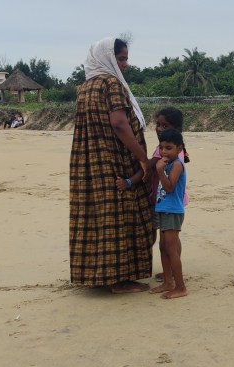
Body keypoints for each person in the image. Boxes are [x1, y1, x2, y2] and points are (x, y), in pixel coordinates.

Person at [68, 37, 154, 293]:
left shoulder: (85, 87)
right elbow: (119, 123)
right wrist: (142, 157)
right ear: (107, 58)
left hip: (89, 163)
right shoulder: (111, 83)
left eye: (126, 59)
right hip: (115, 159)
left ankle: (97, 274)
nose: (125, 64)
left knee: (96, 215)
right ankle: (120, 279)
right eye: (120, 58)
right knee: (122, 214)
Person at [118, 107, 190, 283]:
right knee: (168, 242)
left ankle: (175, 278)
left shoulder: (168, 155)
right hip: (164, 201)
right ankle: (169, 274)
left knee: (169, 244)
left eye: (165, 126)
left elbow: (152, 169)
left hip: (170, 202)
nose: (159, 129)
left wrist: (130, 180)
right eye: (158, 124)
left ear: (176, 130)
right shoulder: (166, 148)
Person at [152, 128, 188, 299]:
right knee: (163, 247)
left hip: (172, 211)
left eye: (168, 148)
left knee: (171, 249)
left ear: (179, 149)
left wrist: (159, 170)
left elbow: (169, 187)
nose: (164, 152)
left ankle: (180, 287)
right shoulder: (167, 163)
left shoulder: (177, 165)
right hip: (163, 209)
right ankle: (168, 282)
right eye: (161, 148)